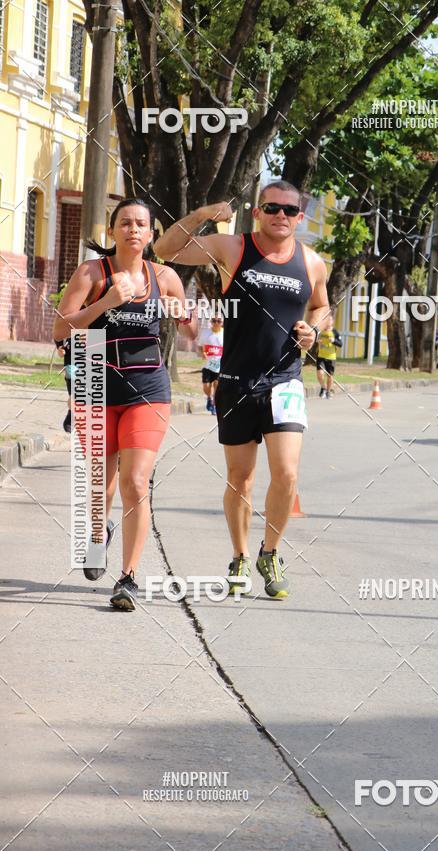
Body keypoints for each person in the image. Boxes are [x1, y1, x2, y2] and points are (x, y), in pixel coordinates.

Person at [155, 181, 329, 599]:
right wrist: (202, 215)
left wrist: (314, 329)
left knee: (286, 473)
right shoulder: (232, 247)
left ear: (300, 217)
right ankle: (240, 556)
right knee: (241, 479)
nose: (280, 216)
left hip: (285, 380)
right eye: (272, 208)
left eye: (289, 210)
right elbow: (166, 250)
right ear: (257, 211)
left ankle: (271, 552)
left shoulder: (312, 262)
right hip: (235, 382)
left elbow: (322, 305)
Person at [53, 198, 196, 611]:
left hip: (148, 387)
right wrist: (105, 303)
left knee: (135, 482)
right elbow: (60, 328)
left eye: (141, 224)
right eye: (125, 223)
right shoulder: (91, 273)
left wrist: (184, 317)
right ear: (113, 231)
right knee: (101, 482)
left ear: (151, 235)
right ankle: (98, 534)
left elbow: (191, 332)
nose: (133, 230)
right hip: (95, 382)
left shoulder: (165, 276)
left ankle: (128, 577)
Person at [198, 315, 224, 414]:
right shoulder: (206, 333)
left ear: (222, 322)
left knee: (216, 385)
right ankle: (209, 397)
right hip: (207, 365)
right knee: (206, 386)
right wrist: (202, 353)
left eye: (219, 321)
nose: (216, 323)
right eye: (214, 321)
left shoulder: (225, 334)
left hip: (219, 366)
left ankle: (214, 403)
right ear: (211, 322)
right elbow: (200, 346)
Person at [316, 308, 342, 398]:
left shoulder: (335, 332)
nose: (328, 321)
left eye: (330, 320)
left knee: (330, 376)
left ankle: (328, 391)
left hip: (331, 357)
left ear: (332, 321)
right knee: (319, 373)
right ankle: (323, 387)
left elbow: (340, 344)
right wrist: (318, 341)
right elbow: (316, 339)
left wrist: (334, 340)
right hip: (321, 356)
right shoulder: (320, 330)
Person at [55, 337, 73, 432]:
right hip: (72, 358)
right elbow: (59, 331)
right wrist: (59, 347)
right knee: (74, 393)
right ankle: (72, 413)